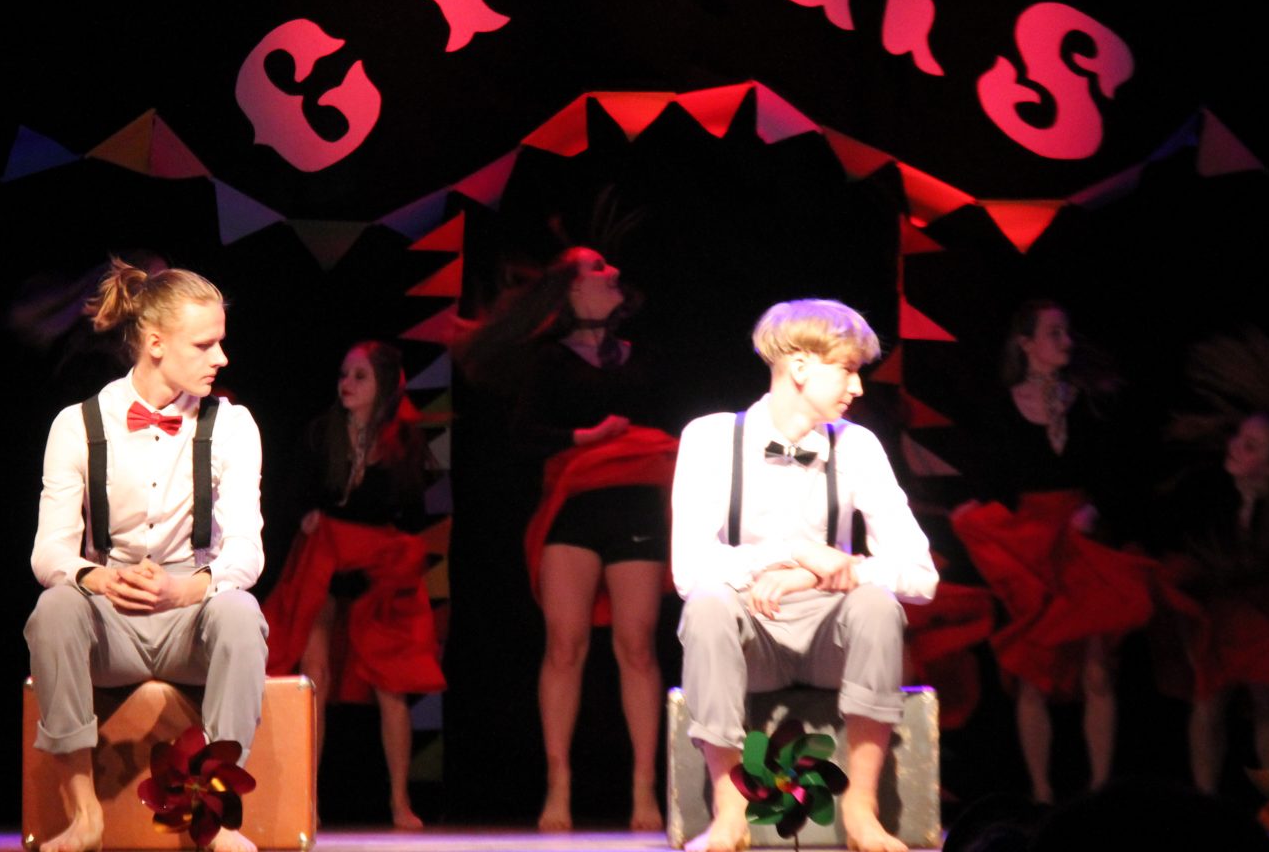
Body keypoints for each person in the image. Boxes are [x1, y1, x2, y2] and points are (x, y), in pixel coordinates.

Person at [672, 298, 938, 852]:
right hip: (754, 638)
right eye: (848, 369)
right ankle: (729, 810)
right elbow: (688, 569)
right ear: (799, 366)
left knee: (877, 604)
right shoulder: (710, 437)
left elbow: (921, 575)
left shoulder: (857, 446)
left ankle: (861, 808)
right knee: (707, 604)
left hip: (828, 644)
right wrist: (795, 552)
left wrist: (817, 575)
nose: (858, 387)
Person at [25, 256, 267, 852]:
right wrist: (98, 580)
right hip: (112, 619)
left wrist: (189, 588)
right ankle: (84, 814)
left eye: (220, 343)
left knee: (240, 612)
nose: (221, 358)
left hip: (191, 616)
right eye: (205, 345)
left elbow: (246, 549)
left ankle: (215, 814)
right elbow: (49, 552)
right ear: (155, 343)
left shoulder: (233, 426)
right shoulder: (77, 425)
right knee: (54, 608)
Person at [459, 246, 679, 832]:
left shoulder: (645, 358)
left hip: (635, 508)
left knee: (637, 646)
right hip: (574, 511)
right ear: (575, 290)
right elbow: (522, 435)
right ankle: (558, 785)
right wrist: (588, 436)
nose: (613, 272)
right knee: (564, 644)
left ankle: (644, 788)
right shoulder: (549, 361)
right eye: (598, 268)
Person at [951, 300, 1154, 803]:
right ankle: (1042, 796)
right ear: (1026, 344)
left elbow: (1118, 472)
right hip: (1031, 547)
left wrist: (1095, 509)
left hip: (1083, 543)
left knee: (1098, 670)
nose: (1066, 341)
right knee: (1032, 672)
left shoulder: (1090, 402)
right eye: (1054, 332)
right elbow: (992, 485)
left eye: (1067, 332)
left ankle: (1100, 792)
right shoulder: (1002, 409)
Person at [262, 341, 445, 829]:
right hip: (325, 564)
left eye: (360, 376)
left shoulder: (404, 442)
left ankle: (400, 800)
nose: (347, 384)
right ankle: (306, 800)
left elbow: (414, 514)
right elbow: (290, 496)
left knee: (391, 683)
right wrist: (306, 515)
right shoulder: (322, 433)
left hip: (376, 570)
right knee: (314, 672)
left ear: (383, 385)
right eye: (344, 374)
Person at [1159, 413, 1269, 792]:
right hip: (1219, 614)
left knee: (1268, 702)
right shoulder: (1209, 496)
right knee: (1208, 701)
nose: (1234, 446)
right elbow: (1190, 559)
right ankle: (1206, 803)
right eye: (1237, 437)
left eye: (1250, 446)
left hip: (1266, 614)